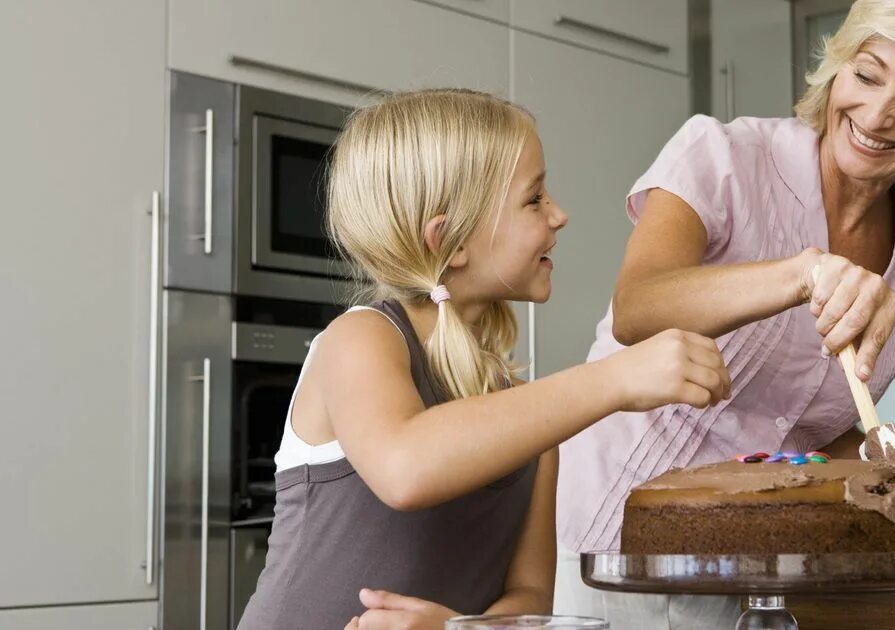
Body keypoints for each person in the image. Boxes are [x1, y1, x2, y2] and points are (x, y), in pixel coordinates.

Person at [554, 0, 895, 626]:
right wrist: (800, 274)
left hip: (752, 583)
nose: (875, 115)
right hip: (595, 555)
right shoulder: (723, 157)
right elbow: (637, 308)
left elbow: (798, 441)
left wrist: (878, 459)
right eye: (865, 74)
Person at [234, 88, 731, 630]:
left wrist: (454, 629)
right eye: (534, 198)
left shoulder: (528, 417)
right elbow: (406, 467)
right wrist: (615, 378)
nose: (559, 215)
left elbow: (528, 597)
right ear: (452, 240)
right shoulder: (360, 337)